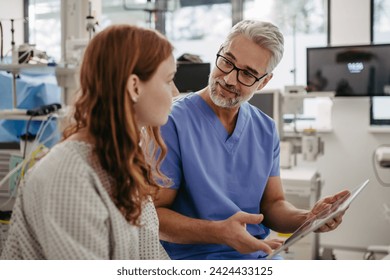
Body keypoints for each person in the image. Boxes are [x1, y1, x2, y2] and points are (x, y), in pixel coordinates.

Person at [154, 19, 349, 260]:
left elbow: (273, 205)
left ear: (264, 81)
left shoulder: (265, 129)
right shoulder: (172, 121)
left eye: (247, 74)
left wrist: (309, 218)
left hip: (259, 257)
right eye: (227, 62)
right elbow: (156, 216)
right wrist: (219, 233)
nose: (229, 79)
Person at [1, 24, 179, 259]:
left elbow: (148, 259)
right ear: (134, 86)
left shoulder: (122, 160)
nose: (175, 93)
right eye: (169, 80)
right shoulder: (67, 178)